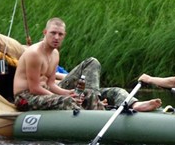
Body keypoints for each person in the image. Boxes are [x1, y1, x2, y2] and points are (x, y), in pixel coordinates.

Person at [13, 17, 161, 111]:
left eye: (60, 34)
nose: (56, 37)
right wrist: (67, 98)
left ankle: (99, 102)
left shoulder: (55, 53)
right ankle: (94, 113)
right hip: (26, 97)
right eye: (53, 33)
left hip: (46, 92)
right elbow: (34, 88)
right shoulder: (34, 54)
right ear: (45, 32)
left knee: (92, 66)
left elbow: (51, 84)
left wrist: (69, 93)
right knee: (67, 101)